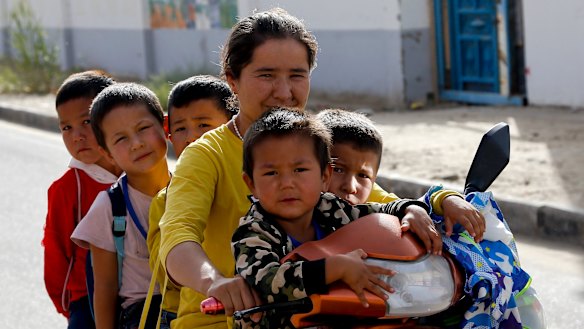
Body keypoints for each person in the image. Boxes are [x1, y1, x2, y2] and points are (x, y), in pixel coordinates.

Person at [158, 8, 443, 328]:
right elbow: (178, 235)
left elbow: (370, 199)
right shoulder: (206, 154)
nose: (284, 92)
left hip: (323, 312)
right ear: (232, 80)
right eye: (266, 76)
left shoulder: (315, 142)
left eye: (296, 75)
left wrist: (436, 202)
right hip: (225, 317)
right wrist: (216, 284)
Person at [231, 108, 432, 328]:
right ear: (251, 184)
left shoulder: (330, 208)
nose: (287, 183)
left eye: (299, 170)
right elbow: (267, 282)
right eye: (271, 173)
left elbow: (378, 212)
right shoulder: (253, 233)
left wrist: (410, 209)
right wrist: (333, 268)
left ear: (324, 176)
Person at [71, 83, 170, 329]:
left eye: (144, 128)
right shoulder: (109, 206)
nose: (136, 143)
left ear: (165, 127)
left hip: (193, 306)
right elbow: (104, 288)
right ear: (107, 154)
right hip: (141, 315)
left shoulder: (192, 189)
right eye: (121, 139)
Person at [317, 108, 486, 248]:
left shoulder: (371, 198)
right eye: (338, 169)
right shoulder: (299, 206)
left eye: (363, 175)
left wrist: (447, 199)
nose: (350, 186)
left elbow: (409, 205)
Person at [147, 75, 236, 328]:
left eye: (203, 125)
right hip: (185, 314)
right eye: (180, 128)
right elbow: (164, 275)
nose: (190, 137)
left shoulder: (249, 179)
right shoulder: (165, 200)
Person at [42, 70, 121, 329]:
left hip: (142, 292)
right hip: (87, 300)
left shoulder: (139, 171)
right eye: (66, 127)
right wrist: (68, 305)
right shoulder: (67, 188)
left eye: (86, 122)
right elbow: (56, 253)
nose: (76, 135)